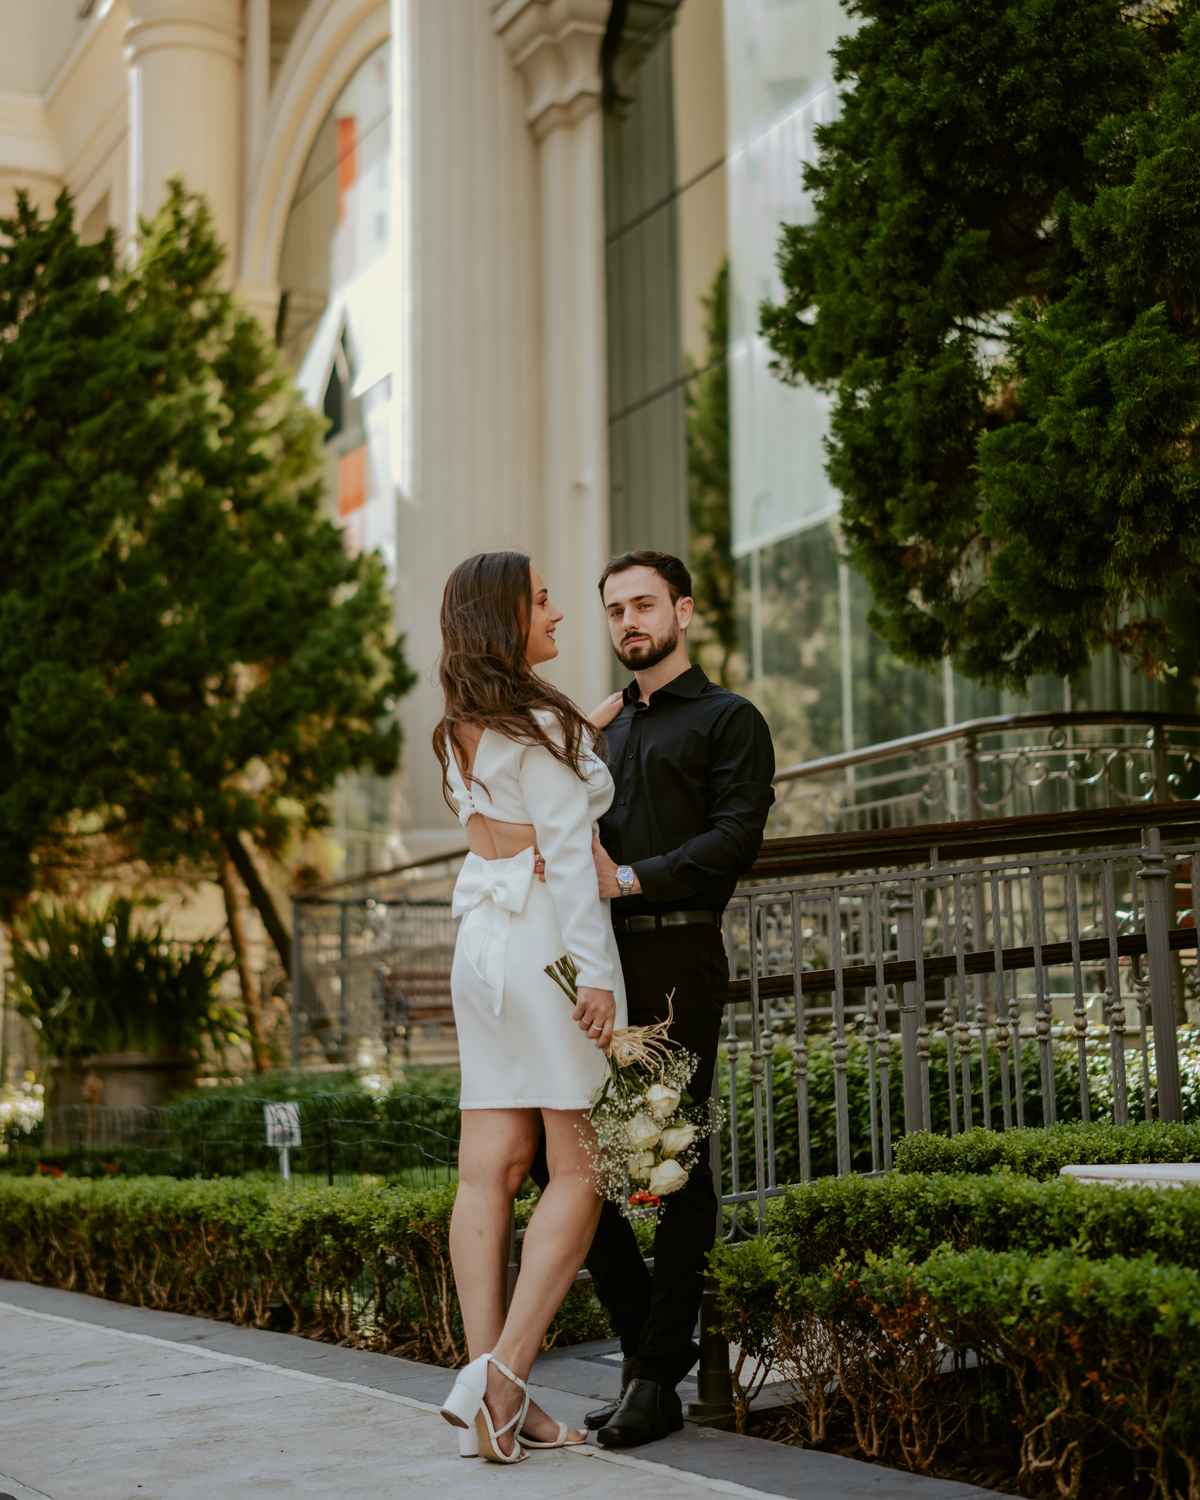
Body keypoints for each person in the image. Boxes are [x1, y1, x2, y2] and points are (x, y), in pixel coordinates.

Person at [574, 549, 775, 1448]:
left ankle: (654, 1380)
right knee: (568, 1160)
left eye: (644, 605)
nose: (628, 623)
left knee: (669, 1165)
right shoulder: (604, 732)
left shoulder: (731, 720)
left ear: (683, 611)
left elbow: (735, 838)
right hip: (594, 971)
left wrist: (627, 879)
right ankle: (646, 1348)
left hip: (676, 959)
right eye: (615, 609)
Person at [434, 551, 629, 1464]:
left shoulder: (460, 726)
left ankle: (490, 1403)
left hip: (481, 951)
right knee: (579, 1165)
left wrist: (574, 736)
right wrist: (596, 977)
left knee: (488, 1169)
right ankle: (506, 1377)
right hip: (547, 943)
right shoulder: (542, 722)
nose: (558, 613)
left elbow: (505, 828)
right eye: (543, 601)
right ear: (505, 618)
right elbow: (563, 849)